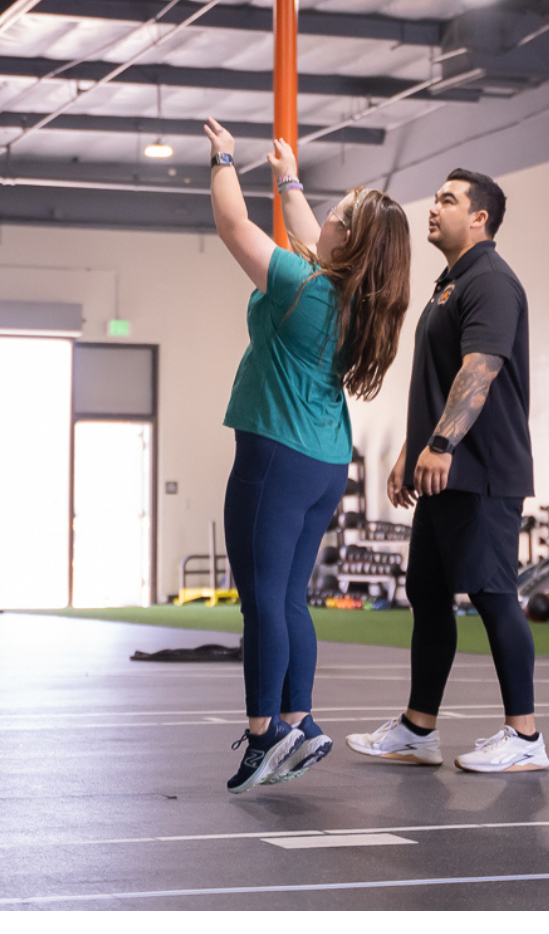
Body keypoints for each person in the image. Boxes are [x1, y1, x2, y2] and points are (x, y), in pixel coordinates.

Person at [204, 118, 411, 793]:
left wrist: (223, 159)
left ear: (348, 240)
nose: (324, 214)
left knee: (261, 602)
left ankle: (264, 736)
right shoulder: (352, 296)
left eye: (339, 213)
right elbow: (305, 232)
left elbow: (236, 228)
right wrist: (287, 173)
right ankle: (302, 723)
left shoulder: (306, 288)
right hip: (323, 464)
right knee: (288, 598)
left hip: (275, 460)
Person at [346, 170, 546, 774]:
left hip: (480, 472)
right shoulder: (449, 283)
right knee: (428, 594)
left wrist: (440, 443)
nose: (433, 208)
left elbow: (479, 370)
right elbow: (438, 378)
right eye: (435, 197)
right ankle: (417, 729)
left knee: (492, 596)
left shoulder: (491, 282)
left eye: (448, 200)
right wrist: (414, 449)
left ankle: (525, 737)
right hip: (444, 468)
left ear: (480, 218)